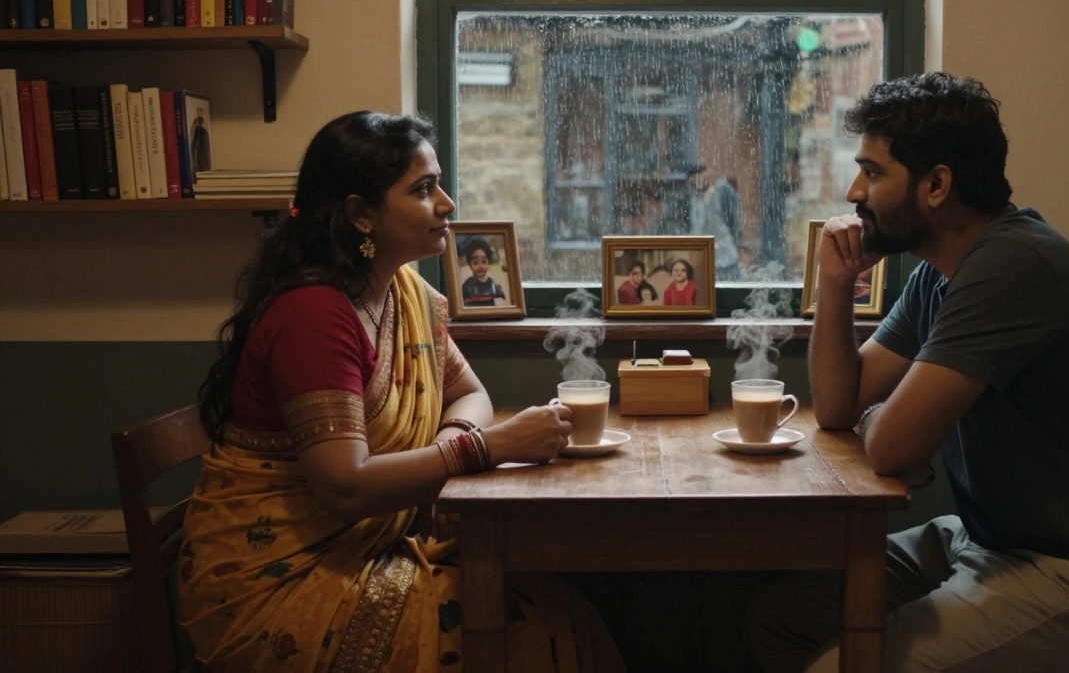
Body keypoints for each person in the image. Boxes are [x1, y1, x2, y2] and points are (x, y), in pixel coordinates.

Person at [746, 73, 1069, 673]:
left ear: (937, 185)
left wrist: (883, 419)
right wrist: (835, 284)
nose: (855, 191)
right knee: (778, 620)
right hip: (988, 542)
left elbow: (887, 447)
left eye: (875, 173)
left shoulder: (1014, 266)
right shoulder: (940, 273)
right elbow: (836, 407)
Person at [182, 111, 622, 672]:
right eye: (423, 189)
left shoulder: (399, 288)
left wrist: (455, 447)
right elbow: (344, 489)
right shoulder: (315, 315)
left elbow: (469, 393)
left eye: (438, 183)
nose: (448, 203)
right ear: (360, 214)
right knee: (527, 624)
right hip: (281, 581)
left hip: (366, 548)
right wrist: (485, 450)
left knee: (550, 600)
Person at [687, 164, 742, 281]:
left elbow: (732, 221)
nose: (696, 182)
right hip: (703, 259)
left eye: (699, 177)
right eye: (693, 180)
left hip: (725, 257)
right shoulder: (695, 200)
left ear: (707, 174)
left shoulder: (722, 192)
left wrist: (734, 244)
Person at [459, 237, 505, 306]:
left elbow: (498, 293)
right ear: (469, 265)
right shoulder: (468, 285)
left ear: (488, 263)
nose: (481, 266)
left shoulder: (491, 282)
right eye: (475, 263)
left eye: (484, 262)